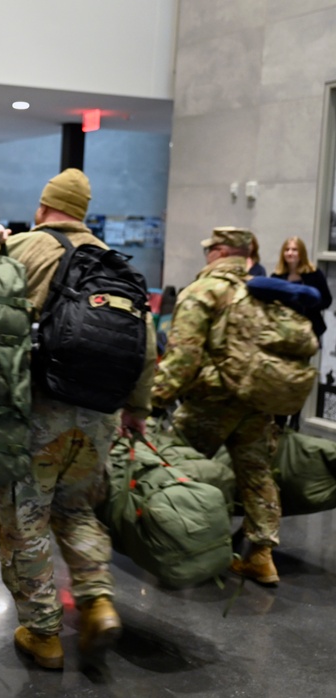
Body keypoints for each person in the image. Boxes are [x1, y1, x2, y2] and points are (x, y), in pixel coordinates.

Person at [0, 169, 156, 670]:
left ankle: (42, 632)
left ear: (44, 207)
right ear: (83, 212)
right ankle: (96, 600)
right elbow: (146, 347)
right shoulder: (115, 263)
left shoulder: (24, 248)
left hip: (37, 411)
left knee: (27, 517)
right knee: (78, 510)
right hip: (101, 415)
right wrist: (138, 410)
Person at [152, 226, 282, 587]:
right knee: (256, 475)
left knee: (177, 467)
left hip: (210, 402)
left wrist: (152, 400)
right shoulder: (262, 293)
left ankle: (183, 547)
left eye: (211, 249)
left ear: (221, 252)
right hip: (256, 400)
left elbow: (183, 359)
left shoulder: (202, 291)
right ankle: (262, 556)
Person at [272, 235, 332, 339]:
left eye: (294, 250)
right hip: (284, 329)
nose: (290, 253)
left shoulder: (314, 274)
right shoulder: (276, 276)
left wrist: (309, 304)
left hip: (309, 328)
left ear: (302, 253)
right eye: (287, 250)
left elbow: (327, 300)